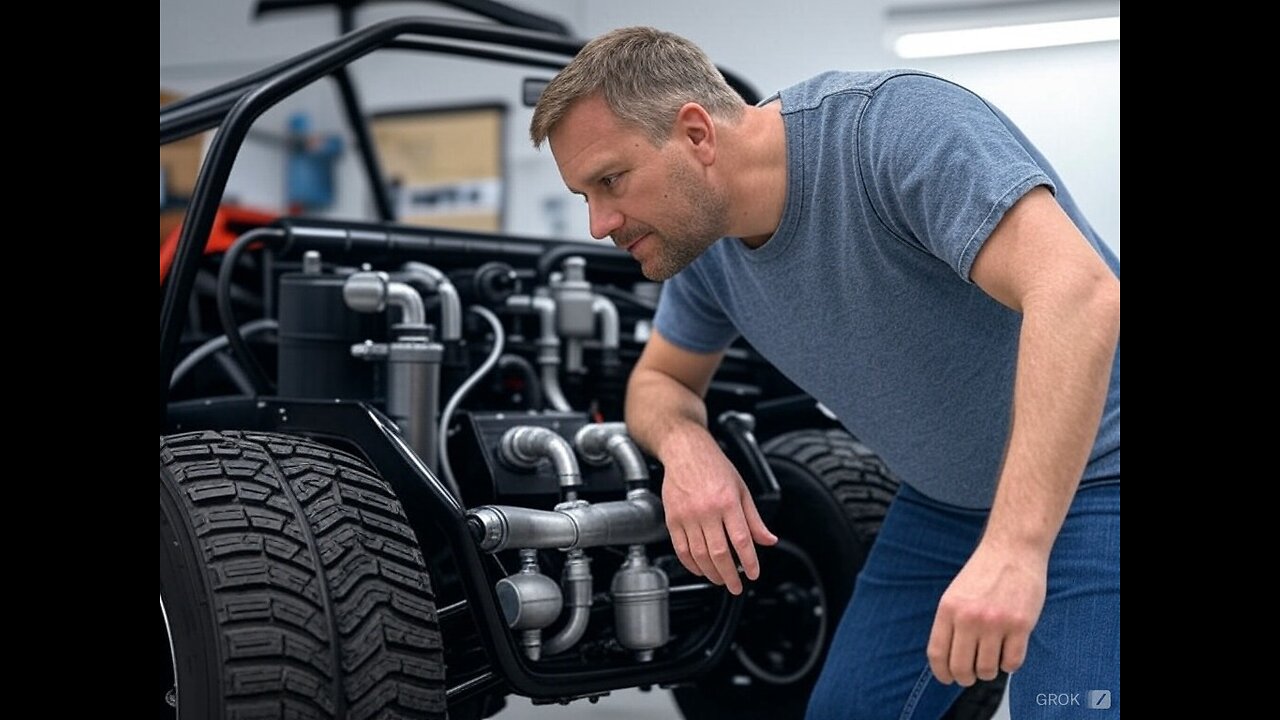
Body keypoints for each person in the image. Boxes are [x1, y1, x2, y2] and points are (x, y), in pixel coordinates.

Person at [530, 27, 1120, 718]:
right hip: (945, 501)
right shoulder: (710, 249)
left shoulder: (892, 131)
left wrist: (1016, 549)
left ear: (695, 133)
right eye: (584, 196)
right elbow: (659, 382)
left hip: (1099, 473)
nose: (599, 223)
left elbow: (1079, 293)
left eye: (610, 181)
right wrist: (690, 450)